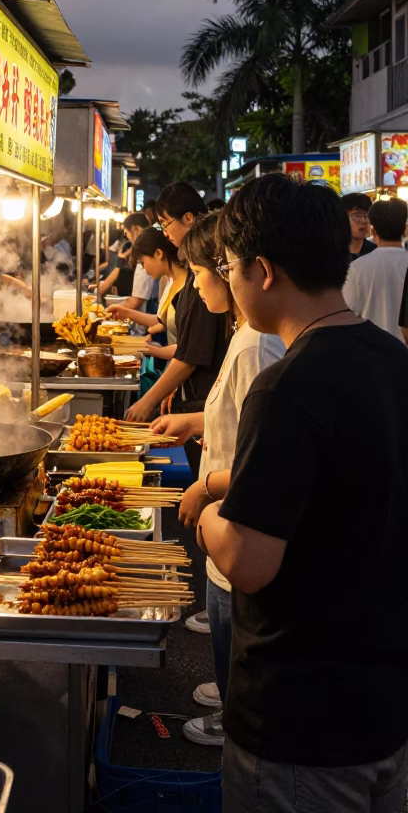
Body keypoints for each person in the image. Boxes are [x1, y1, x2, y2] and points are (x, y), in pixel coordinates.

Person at [197, 174, 408, 813]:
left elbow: (250, 563)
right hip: (386, 708)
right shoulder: (393, 360)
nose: (228, 281)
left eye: (229, 267)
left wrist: (208, 514)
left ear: (262, 271)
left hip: (300, 725)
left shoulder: (286, 386)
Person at [152, 213, 283, 747]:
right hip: (226, 510)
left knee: (236, 628)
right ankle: (232, 699)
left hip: (235, 513)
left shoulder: (257, 346)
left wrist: (205, 487)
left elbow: (267, 451)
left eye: (210, 271)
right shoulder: (246, 337)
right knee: (225, 623)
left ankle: (237, 722)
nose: (207, 283)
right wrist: (196, 420)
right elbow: (239, 416)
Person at [125, 185, 228, 452]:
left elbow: (191, 353)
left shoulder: (205, 281)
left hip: (205, 402)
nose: (165, 233)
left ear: (189, 218)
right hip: (198, 401)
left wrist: (148, 400)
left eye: (165, 224)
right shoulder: (197, 279)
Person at [343, 196, 408, 342]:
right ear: (404, 228)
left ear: (374, 229)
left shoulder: (356, 269)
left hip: (372, 354)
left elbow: (347, 316)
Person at [342, 192, 378, 261]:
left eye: (367, 214)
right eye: (356, 215)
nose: (364, 221)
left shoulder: (375, 252)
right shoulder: (333, 254)